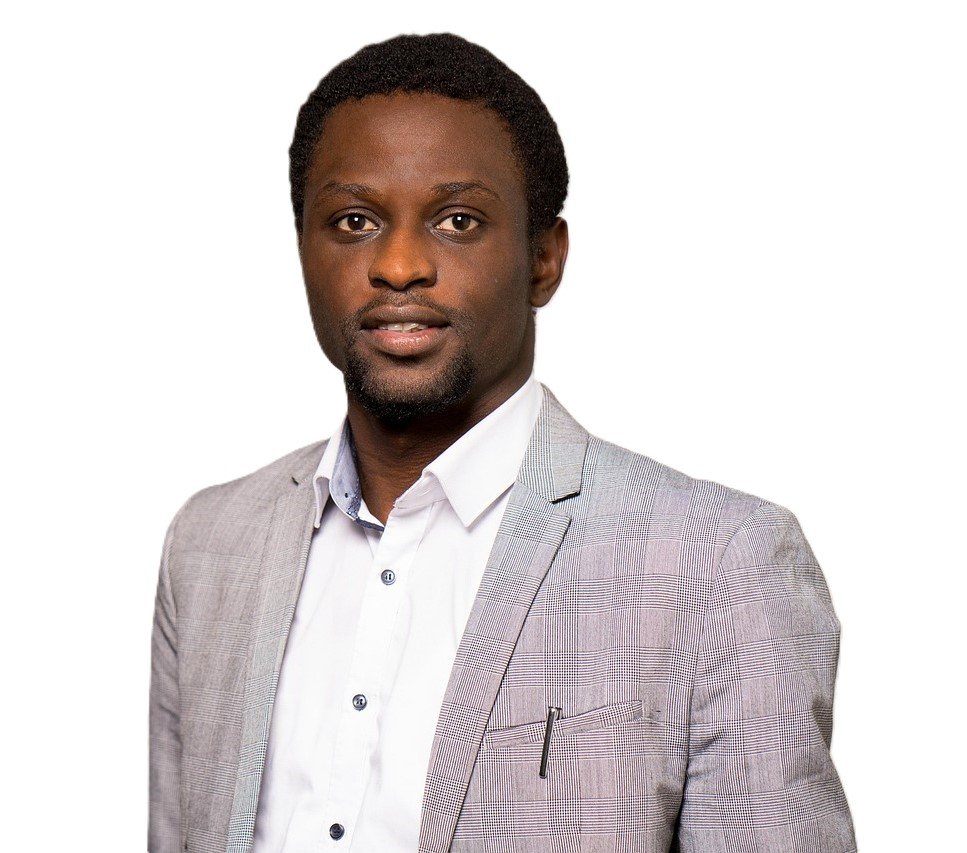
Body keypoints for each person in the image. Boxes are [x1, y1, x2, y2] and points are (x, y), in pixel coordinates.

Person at [148, 32, 856, 853]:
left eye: (458, 220)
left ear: (543, 259)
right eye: (353, 220)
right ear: (303, 247)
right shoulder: (209, 545)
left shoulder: (718, 562)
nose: (399, 264)